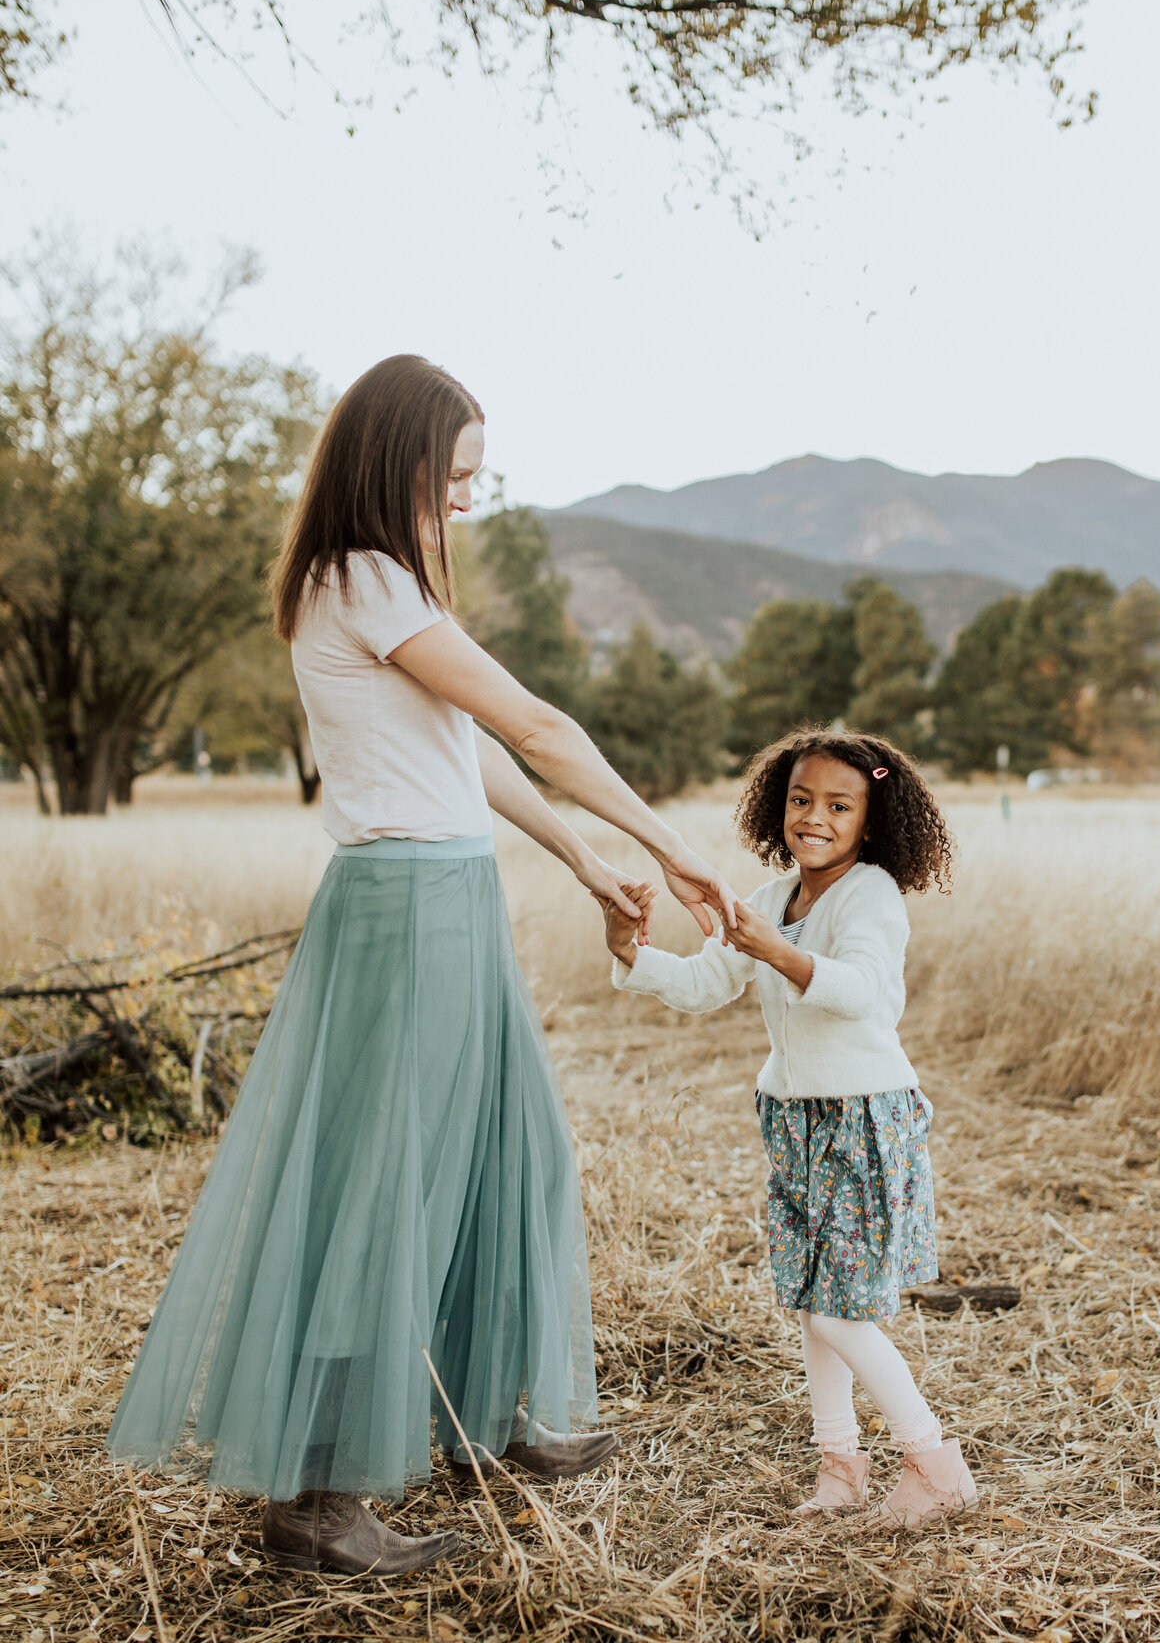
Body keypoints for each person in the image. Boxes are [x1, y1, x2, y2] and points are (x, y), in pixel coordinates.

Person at [106, 354, 736, 1577]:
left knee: (509, 1150)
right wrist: (673, 846)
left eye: (473, 482)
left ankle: (479, 1421)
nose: (461, 502)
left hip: (452, 892)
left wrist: (584, 862)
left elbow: (470, 757)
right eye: (450, 477)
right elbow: (537, 729)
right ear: (392, 462)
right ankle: (319, 1501)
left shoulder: (387, 587)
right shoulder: (359, 578)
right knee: (385, 1188)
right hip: (403, 905)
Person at [603, 728, 978, 1530]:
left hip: (863, 1115)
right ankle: (840, 1467)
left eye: (839, 806)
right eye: (801, 800)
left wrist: (781, 954)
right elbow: (708, 983)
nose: (815, 817)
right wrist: (631, 951)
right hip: (795, 1119)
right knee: (814, 1304)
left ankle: (934, 1463)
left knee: (842, 1309)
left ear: (870, 823)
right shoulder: (774, 898)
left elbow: (865, 991)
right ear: (780, 806)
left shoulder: (869, 893)